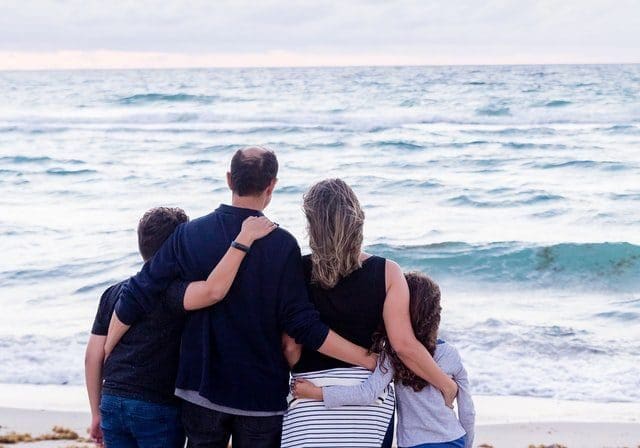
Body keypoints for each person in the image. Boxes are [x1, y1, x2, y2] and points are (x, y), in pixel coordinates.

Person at [104, 147, 377, 448]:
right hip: (260, 396)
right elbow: (302, 324)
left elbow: (138, 293)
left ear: (229, 179)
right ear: (272, 185)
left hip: (201, 390)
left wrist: (107, 350)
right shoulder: (283, 245)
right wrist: (367, 359)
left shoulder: (190, 234)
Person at [280, 179, 459, 448]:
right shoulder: (388, 272)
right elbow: (404, 346)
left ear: (312, 225)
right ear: (357, 220)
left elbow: (291, 349)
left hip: (309, 400)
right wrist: (445, 385)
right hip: (369, 405)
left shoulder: (295, 270)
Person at [85, 207, 277, 447]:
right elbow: (212, 290)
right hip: (156, 405)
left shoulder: (113, 293)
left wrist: (96, 412)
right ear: (179, 247)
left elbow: (93, 356)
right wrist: (243, 239)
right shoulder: (173, 292)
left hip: (112, 399)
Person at [293, 272, 476, 448]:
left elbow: (366, 393)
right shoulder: (450, 354)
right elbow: (467, 411)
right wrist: (466, 444)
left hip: (414, 442)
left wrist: (317, 393)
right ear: (435, 314)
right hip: (454, 438)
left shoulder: (393, 355)